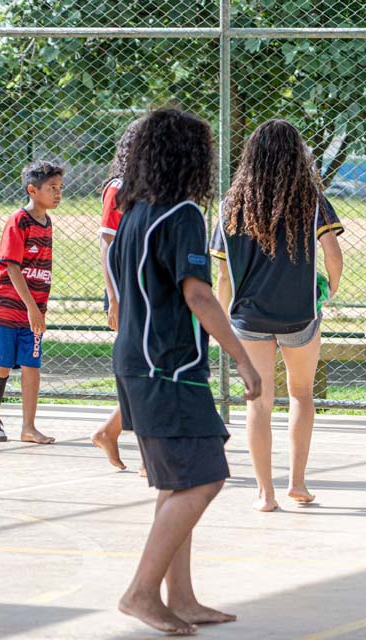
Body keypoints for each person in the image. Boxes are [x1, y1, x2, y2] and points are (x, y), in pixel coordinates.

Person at [108, 108, 261, 635]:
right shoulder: (183, 215)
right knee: (205, 478)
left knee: (177, 484)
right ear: (189, 156)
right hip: (168, 367)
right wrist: (242, 359)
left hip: (137, 363)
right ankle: (141, 592)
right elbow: (197, 293)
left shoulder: (133, 214)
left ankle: (181, 597)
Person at [210, 119, 343, 512]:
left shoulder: (232, 204)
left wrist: (222, 323)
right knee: (301, 395)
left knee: (258, 402)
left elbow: (222, 275)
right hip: (300, 315)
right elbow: (333, 254)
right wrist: (329, 291)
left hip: (248, 319)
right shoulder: (311, 198)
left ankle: (264, 493)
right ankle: (297, 483)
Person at [0, 160, 63, 444]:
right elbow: (12, 267)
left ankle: (29, 427)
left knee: (31, 363)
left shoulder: (47, 223)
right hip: (7, 305)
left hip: (33, 309)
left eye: (60, 188)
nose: (58, 193)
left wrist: (39, 309)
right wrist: (30, 307)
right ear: (32, 190)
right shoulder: (19, 220)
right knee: (1, 363)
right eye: (52, 188)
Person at [91, 118, 144, 470]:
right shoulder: (119, 187)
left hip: (147, 288)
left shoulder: (152, 186)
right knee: (142, 369)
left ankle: (110, 431)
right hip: (126, 291)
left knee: (148, 367)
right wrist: (114, 296)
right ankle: (146, 452)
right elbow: (106, 241)